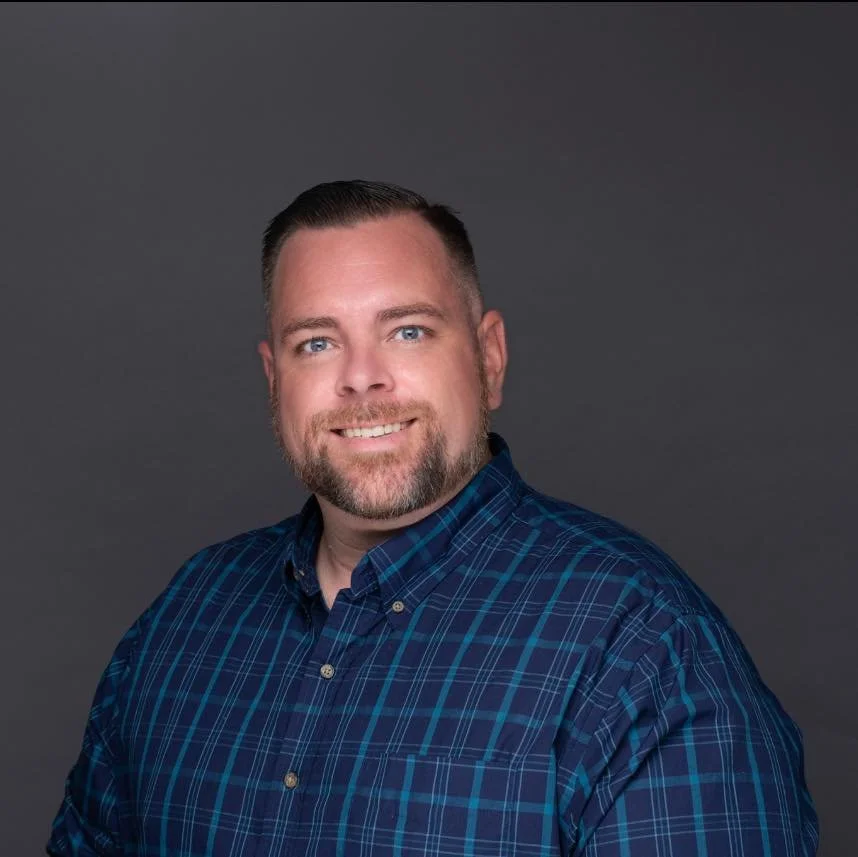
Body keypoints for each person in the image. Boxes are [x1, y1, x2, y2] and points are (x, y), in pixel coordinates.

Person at [48, 180, 819, 856]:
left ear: (489, 357)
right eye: (317, 343)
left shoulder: (644, 648)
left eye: (407, 330)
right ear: (273, 379)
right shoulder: (184, 621)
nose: (361, 379)